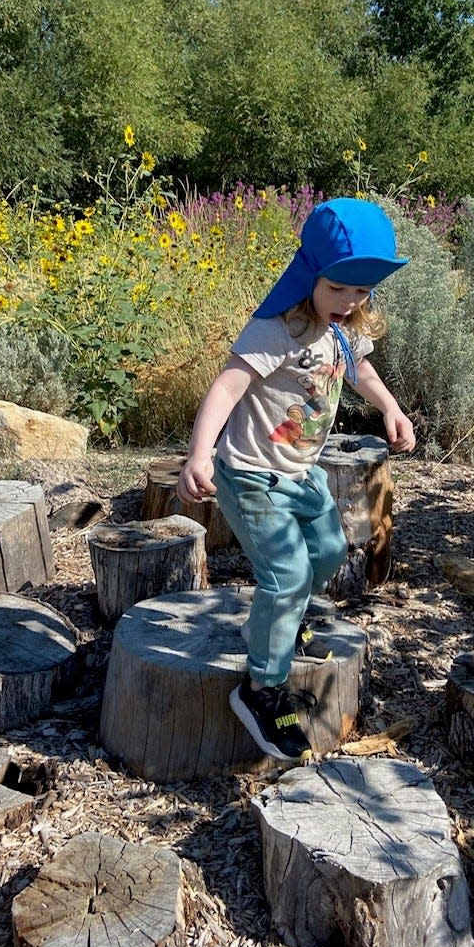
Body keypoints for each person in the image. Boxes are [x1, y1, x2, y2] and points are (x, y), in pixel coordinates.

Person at [177, 197, 415, 761]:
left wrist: (390, 407)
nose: (350, 302)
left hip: (299, 473)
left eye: (361, 292)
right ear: (310, 275)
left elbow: (361, 370)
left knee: (330, 553)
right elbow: (227, 386)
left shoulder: (342, 329)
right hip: (252, 475)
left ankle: (275, 625)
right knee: (286, 574)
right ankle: (260, 686)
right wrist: (199, 454)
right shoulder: (277, 328)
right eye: (339, 289)